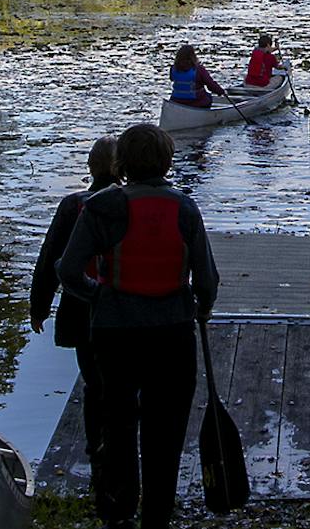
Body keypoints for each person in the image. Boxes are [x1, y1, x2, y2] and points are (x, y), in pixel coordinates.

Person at [57, 124, 220, 529]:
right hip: (173, 332)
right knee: (165, 429)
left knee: (119, 419)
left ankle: (120, 506)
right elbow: (207, 281)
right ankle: (157, 515)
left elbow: (68, 270)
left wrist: (99, 295)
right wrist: (203, 306)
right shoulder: (184, 208)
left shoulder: (102, 206)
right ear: (166, 161)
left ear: (122, 164)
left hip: (115, 335)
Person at [29, 137, 119, 458]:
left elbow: (49, 257)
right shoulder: (130, 202)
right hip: (120, 307)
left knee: (93, 381)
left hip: (80, 307)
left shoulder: (72, 205)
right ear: (120, 167)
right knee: (120, 378)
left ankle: (95, 444)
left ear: (89, 166)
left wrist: (38, 307)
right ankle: (119, 439)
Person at [168, 44, 225, 108]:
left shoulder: (173, 68)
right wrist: (221, 91)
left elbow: (172, 78)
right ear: (193, 56)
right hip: (196, 102)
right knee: (208, 97)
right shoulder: (199, 69)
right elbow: (210, 84)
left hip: (176, 101)